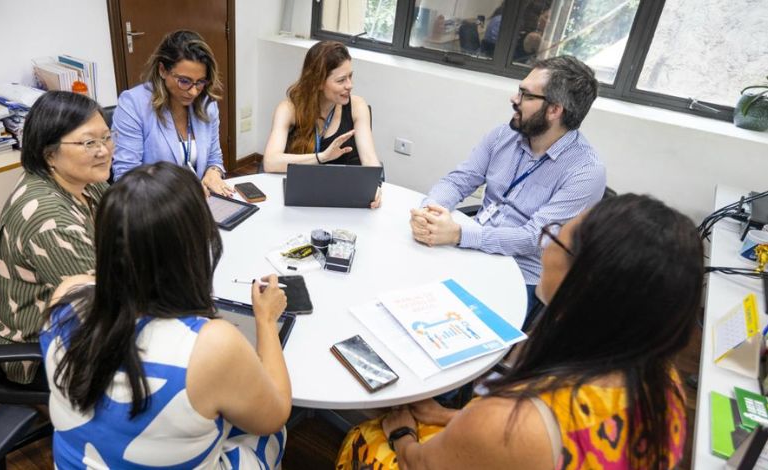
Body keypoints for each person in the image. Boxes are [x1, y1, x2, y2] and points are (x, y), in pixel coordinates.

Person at [339, 194, 703, 469]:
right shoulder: (663, 379)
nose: (545, 247)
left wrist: (402, 434)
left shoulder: (513, 419)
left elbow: (420, 463)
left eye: (556, 237)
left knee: (365, 437)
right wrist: (447, 417)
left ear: (585, 282)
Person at [40, 162, 291, 468]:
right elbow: (275, 414)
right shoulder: (211, 345)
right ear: (193, 247)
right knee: (272, 433)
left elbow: (96, 284)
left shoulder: (65, 297)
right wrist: (265, 320)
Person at [410, 55, 605, 319]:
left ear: (554, 110)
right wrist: (430, 212)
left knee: (441, 322)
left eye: (526, 94)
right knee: (405, 293)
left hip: (521, 275)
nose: (514, 99)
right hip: (471, 249)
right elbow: (458, 180)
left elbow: (532, 238)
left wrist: (458, 234)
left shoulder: (586, 172)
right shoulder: (504, 135)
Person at [0, 91, 111, 385]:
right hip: (39, 348)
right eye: (88, 143)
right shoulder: (51, 221)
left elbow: (125, 223)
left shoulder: (82, 180)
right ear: (49, 154)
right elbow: (106, 306)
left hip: (79, 317)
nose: (104, 151)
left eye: (107, 137)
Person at [112, 29, 232, 196]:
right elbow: (125, 176)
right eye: (184, 81)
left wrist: (213, 172)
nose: (193, 92)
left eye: (200, 82)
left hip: (198, 203)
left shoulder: (206, 103)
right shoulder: (133, 104)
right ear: (162, 70)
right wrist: (182, 194)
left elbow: (214, 158)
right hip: (153, 208)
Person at [262, 41, 382, 207]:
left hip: (345, 197)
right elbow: (270, 162)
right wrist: (322, 157)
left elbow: (369, 159)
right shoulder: (288, 109)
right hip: (302, 197)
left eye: (350, 76)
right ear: (318, 82)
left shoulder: (357, 107)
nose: (350, 85)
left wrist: (374, 185)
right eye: (341, 80)